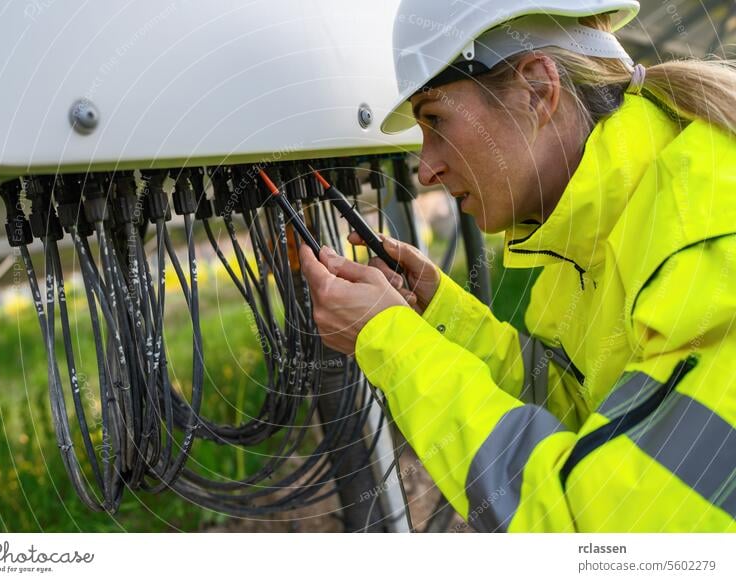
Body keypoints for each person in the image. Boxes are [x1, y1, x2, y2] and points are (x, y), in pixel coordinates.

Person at [299, 0, 736, 532]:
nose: (428, 169)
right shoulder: (596, 236)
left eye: (435, 120)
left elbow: (594, 534)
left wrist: (390, 340)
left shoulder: (709, 241)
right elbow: (581, 415)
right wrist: (437, 315)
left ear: (536, 90)